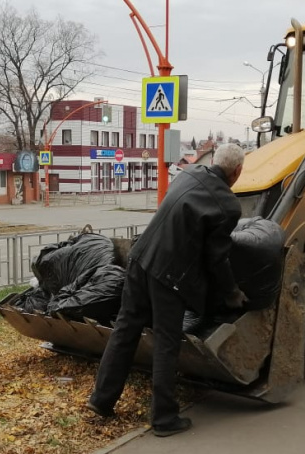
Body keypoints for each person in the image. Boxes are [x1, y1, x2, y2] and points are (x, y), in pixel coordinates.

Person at [86, 143, 248, 437]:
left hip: (140, 258)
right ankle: (164, 418)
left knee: (125, 330)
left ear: (213, 161)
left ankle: (101, 400)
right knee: (166, 341)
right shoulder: (228, 205)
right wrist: (232, 293)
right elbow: (217, 258)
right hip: (169, 275)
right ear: (237, 172)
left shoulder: (189, 173)